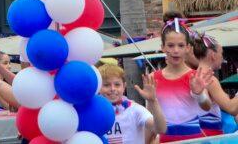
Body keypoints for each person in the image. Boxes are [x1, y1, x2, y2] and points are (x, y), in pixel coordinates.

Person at [153, 12, 213, 142]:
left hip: (194, 140)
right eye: (170, 45)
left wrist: (199, 94)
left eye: (180, 46)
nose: (175, 50)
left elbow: (207, 107)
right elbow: (152, 119)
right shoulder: (153, 78)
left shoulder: (195, 76)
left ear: (188, 48)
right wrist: (151, 100)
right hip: (166, 140)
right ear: (162, 47)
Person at [99, 64, 166, 144]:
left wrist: (153, 101)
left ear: (124, 86)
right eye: (106, 85)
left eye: (117, 85)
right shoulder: (92, 112)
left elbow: (161, 129)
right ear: (98, 87)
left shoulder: (135, 109)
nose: (113, 89)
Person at [191, 33, 238, 135]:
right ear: (213, 55)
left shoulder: (192, 76)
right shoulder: (210, 79)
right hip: (210, 137)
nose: (222, 58)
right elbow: (232, 109)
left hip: (196, 134)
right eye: (221, 53)